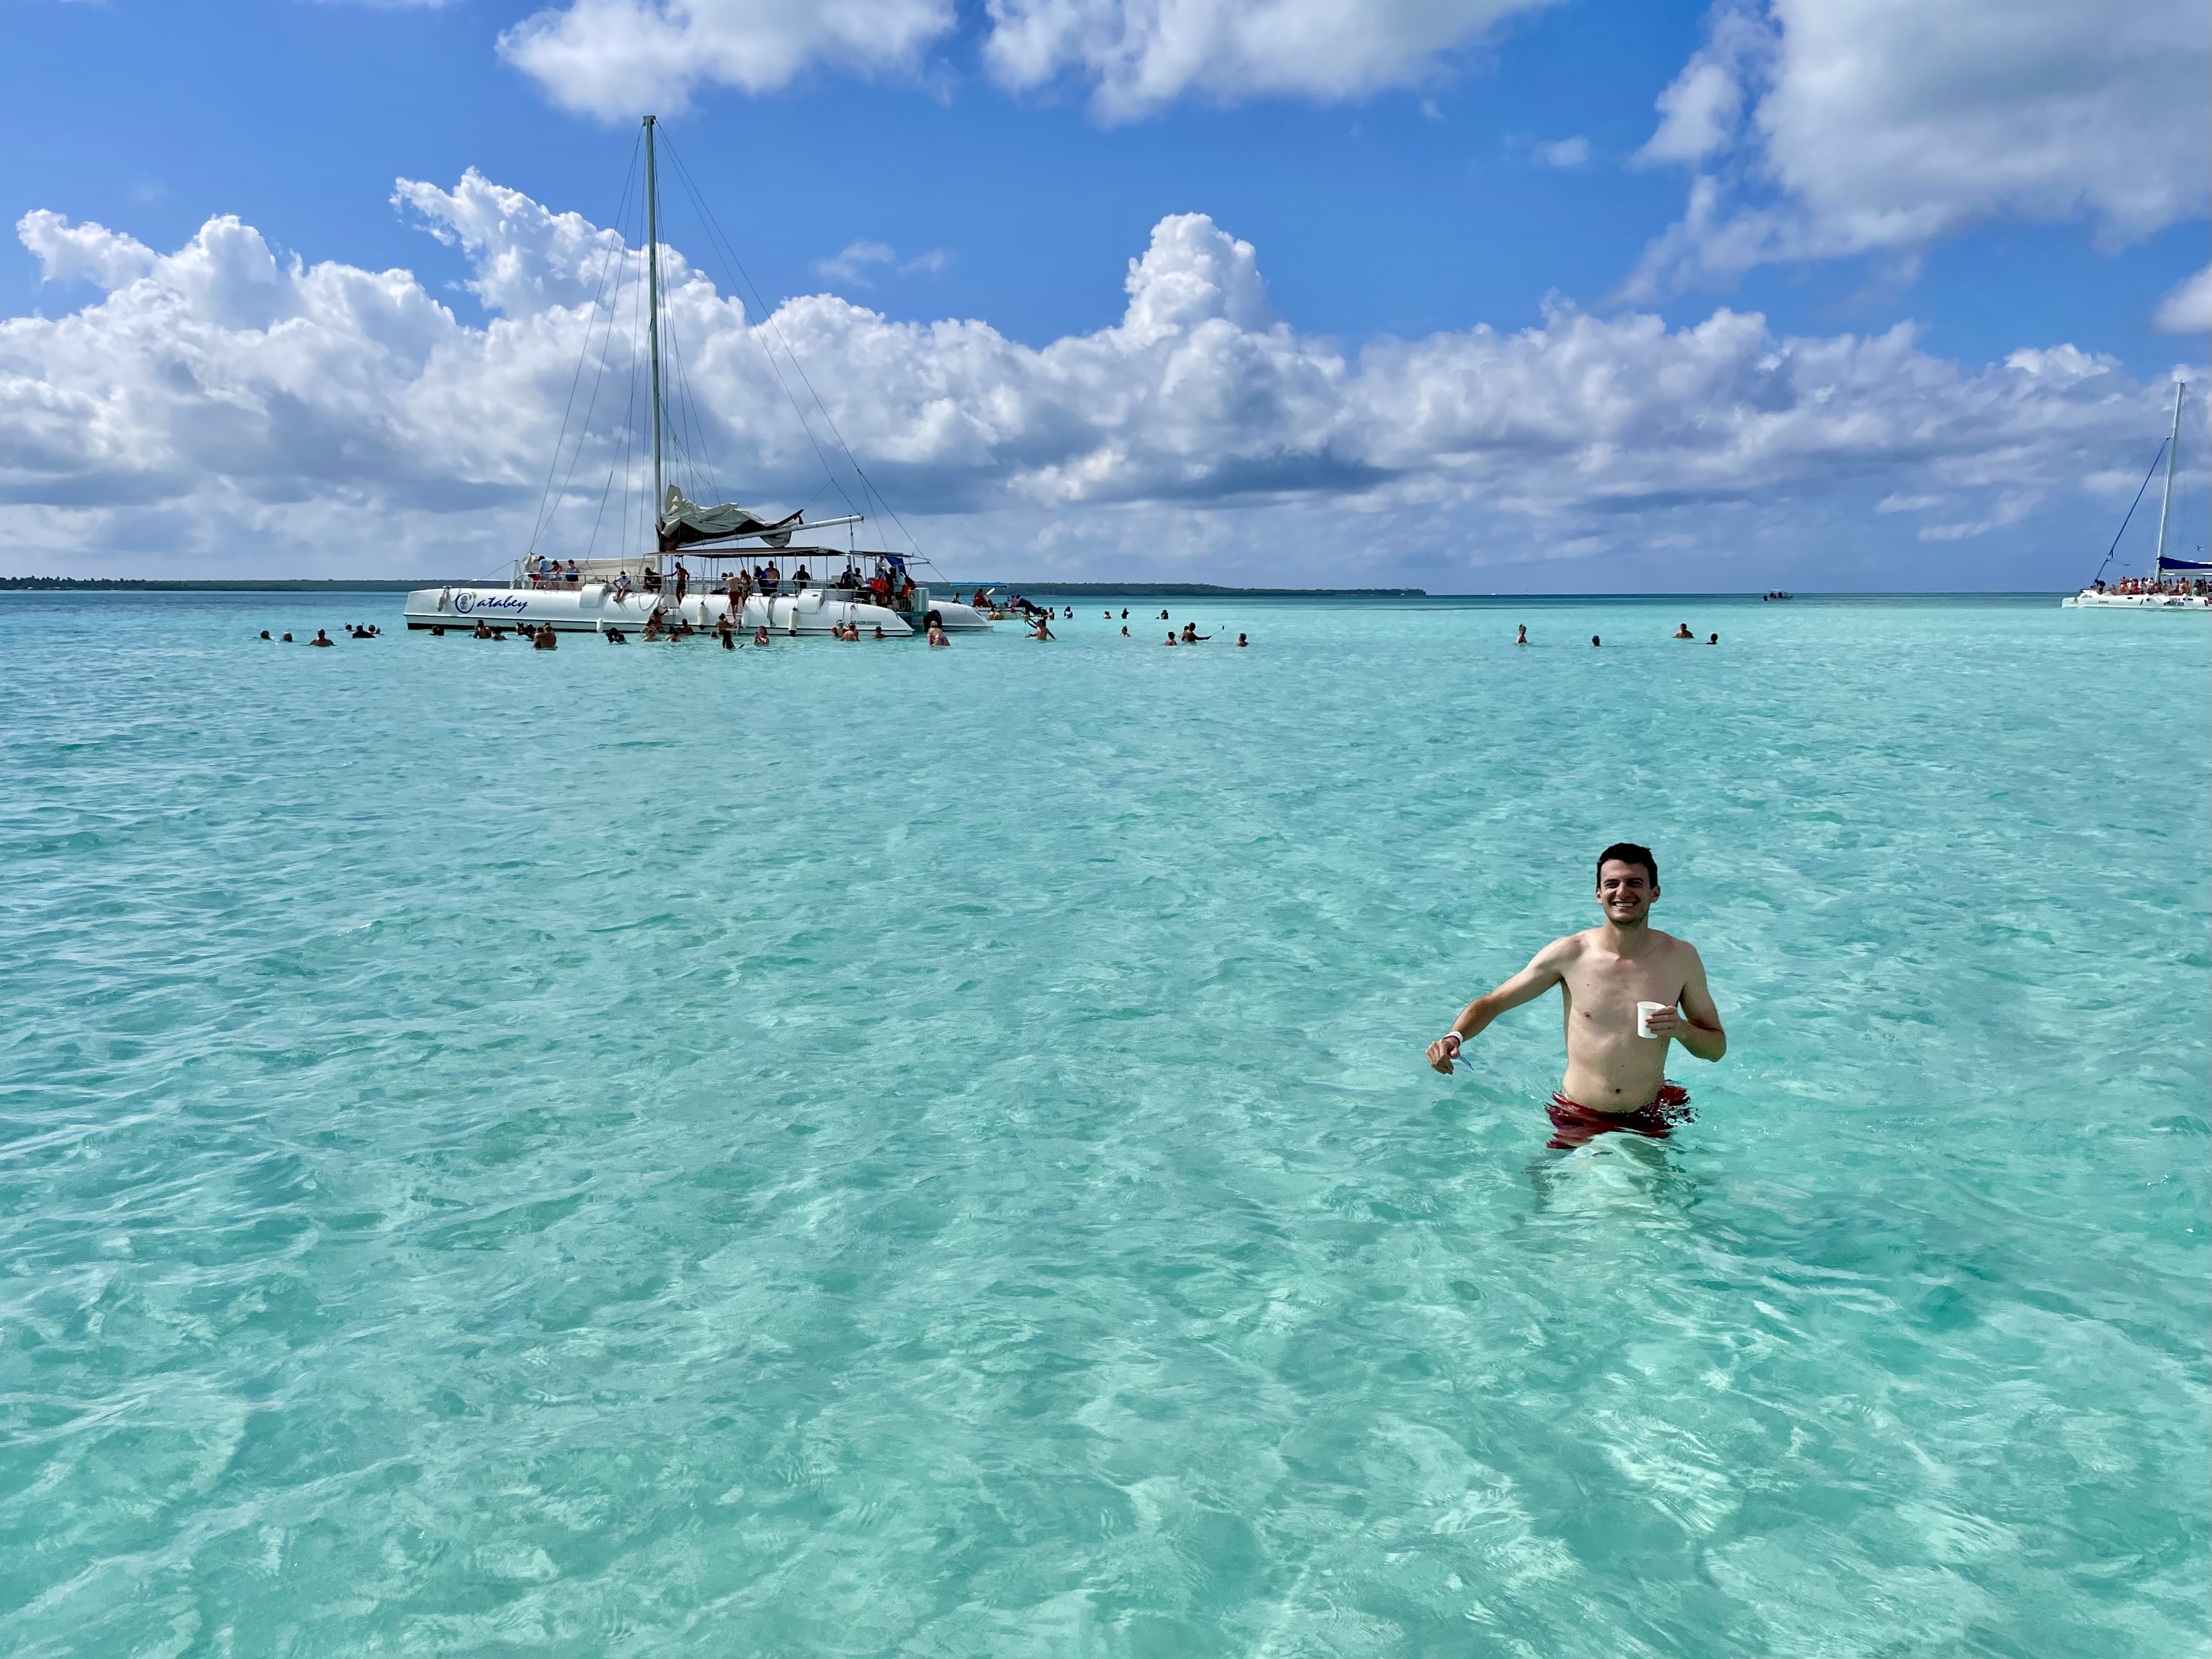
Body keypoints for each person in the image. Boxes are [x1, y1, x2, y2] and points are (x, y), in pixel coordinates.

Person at [1426, 843, 1726, 1149]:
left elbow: (1716, 1049)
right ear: (1599, 894)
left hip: (1648, 1112)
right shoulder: (1571, 953)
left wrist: (1682, 1029)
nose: (1623, 892)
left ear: (1655, 893)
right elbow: (1493, 1003)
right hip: (1580, 1112)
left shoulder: (1681, 958)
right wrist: (1453, 1038)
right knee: (1544, 1179)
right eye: (1612, 883)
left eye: (1635, 882)